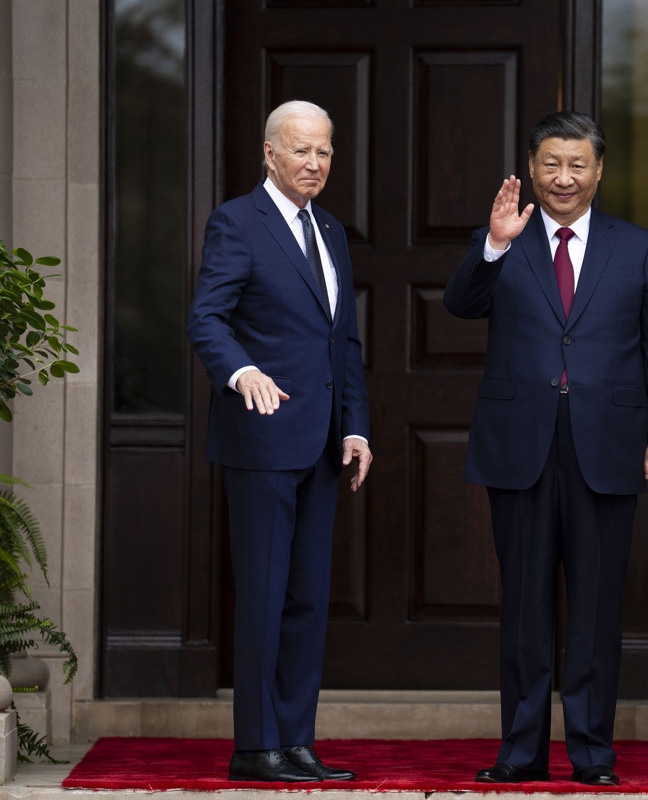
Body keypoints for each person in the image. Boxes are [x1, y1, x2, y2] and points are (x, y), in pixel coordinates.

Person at [444, 111, 648, 786]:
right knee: (524, 610)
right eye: (551, 164)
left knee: (596, 610)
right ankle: (518, 753)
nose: (564, 177)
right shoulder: (505, 239)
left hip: (607, 447)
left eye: (578, 165)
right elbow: (460, 304)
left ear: (599, 170)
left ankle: (593, 755)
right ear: (530, 167)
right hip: (520, 446)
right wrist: (492, 244)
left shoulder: (635, 247)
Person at [187, 100, 371, 783]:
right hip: (261, 439)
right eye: (301, 151)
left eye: (324, 152)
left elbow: (342, 342)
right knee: (264, 596)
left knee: (308, 600)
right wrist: (242, 372)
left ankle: (295, 742)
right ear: (269, 153)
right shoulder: (237, 222)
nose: (314, 164)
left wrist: (356, 425)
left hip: (323, 444)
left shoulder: (331, 230)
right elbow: (206, 319)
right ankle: (255, 747)